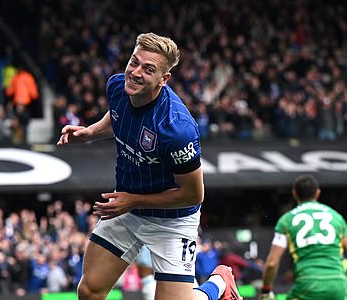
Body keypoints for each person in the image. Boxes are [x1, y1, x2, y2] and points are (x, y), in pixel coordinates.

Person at [58, 32, 242, 300]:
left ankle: (218, 284)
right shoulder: (117, 86)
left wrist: (133, 201)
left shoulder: (176, 128)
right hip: (129, 208)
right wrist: (90, 132)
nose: (135, 72)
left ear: (163, 79)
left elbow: (193, 194)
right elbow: (118, 116)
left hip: (172, 219)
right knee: (89, 291)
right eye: (134, 62)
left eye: (148, 69)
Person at [260, 175, 347, 300]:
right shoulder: (336, 217)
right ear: (317, 193)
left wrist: (266, 291)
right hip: (338, 285)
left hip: (307, 284)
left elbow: (272, 263)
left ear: (294, 194)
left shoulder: (286, 221)